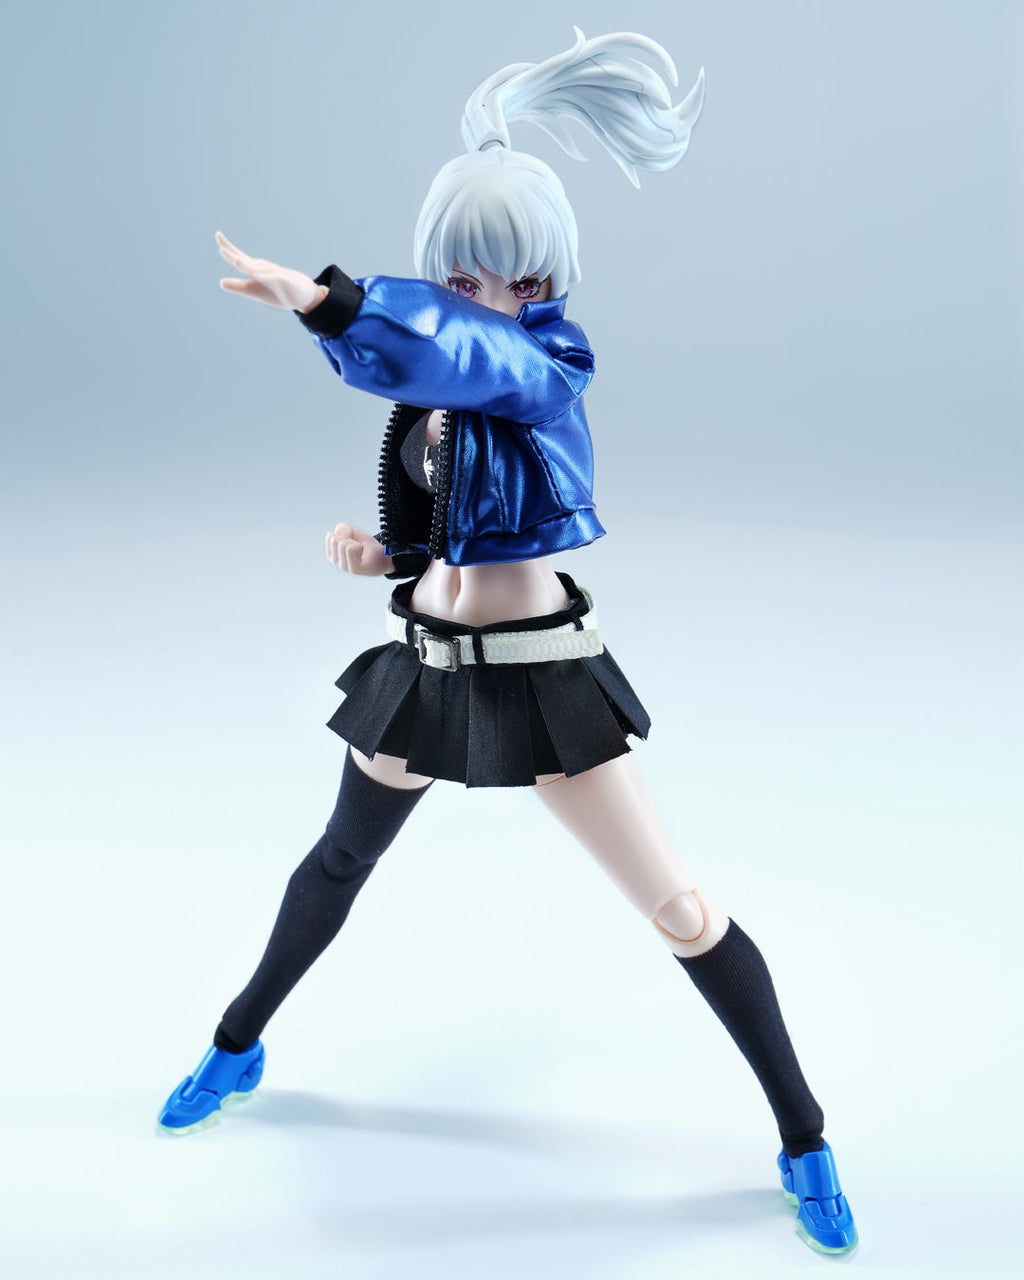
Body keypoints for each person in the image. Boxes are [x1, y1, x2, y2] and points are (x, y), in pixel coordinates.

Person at [157, 29, 857, 1255]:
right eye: (466, 275)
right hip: (424, 669)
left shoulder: (547, 360)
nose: (492, 298)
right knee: (336, 861)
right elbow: (436, 510)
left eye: (518, 276)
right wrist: (383, 556)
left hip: (542, 681)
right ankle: (237, 1042)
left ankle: (803, 1133)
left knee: (678, 906)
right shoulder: (430, 385)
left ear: (550, 281)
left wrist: (331, 299)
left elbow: (472, 355)